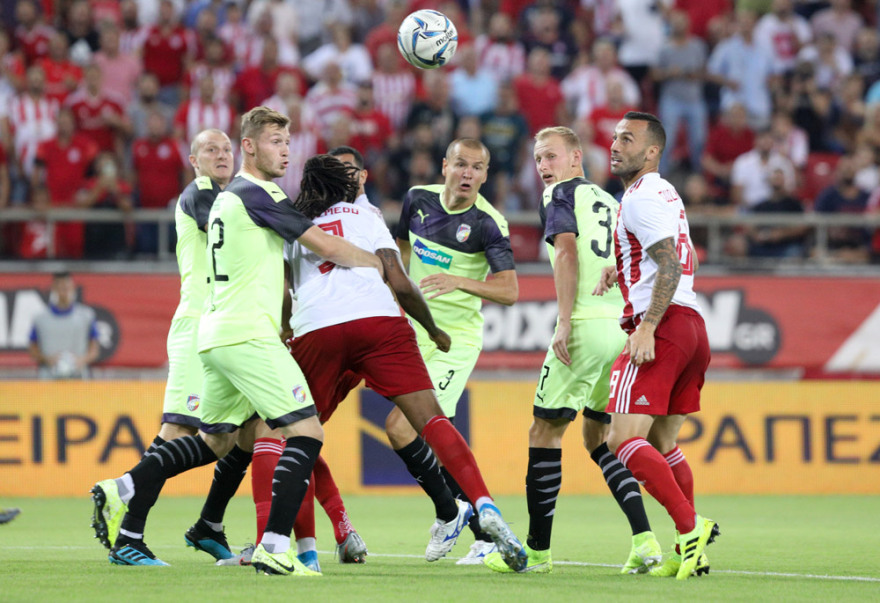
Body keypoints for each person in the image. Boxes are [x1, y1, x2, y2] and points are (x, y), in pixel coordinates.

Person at [92, 107, 384, 572]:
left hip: (218, 332)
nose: (285, 150)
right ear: (248, 146)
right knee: (305, 431)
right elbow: (324, 245)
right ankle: (274, 548)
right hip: (244, 333)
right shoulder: (243, 194)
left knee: (221, 441)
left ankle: (125, 489)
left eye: (287, 142)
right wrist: (379, 262)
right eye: (274, 141)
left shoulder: (234, 198)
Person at [260, 152, 527, 573]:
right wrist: (432, 329)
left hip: (318, 330)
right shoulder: (366, 215)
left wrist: (285, 329)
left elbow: (285, 290)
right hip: (379, 323)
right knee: (432, 419)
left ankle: (297, 550)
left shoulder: (296, 224)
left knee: (296, 434)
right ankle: (483, 502)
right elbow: (399, 281)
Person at [485, 126, 660, 574]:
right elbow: (637, 263)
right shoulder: (612, 202)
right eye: (538, 159)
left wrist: (564, 322)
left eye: (551, 156)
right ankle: (644, 540)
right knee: (599, 438)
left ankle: (537, 553)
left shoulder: (560, 195)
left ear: (576, 158)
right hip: (620, 330)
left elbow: (565, 252)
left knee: (543, 433)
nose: (544, 167)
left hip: (584, 327)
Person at [89, 129, 253, 563]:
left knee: (242, 432)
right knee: (182, 433)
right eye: (211, 149)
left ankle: (205, 525)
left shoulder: (229, 197)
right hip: (199, 326)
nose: (222, 154)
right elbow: (231, 232)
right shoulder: (201, 193)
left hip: (224, 326)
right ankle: (126, 522)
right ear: (193, 160)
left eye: (227, 148)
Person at [594, 111, 718, 580]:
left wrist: (647, 325)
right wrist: (625, 266)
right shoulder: (665, 192)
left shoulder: (640, 197)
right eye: (615, 137)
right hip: (691, 327)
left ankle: (691, 528)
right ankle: (691, 551)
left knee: (621, 439)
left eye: (627, 139)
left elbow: (669, 264)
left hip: (661, 327)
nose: (615, 145)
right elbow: (686, 260)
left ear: (652, 152)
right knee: (663, 442)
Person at [386, 138, 519, 566]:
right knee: (436, 440)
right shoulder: (416, 199)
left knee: (401, 427)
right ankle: (483, 534)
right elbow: (401, 249)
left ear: (485, 175)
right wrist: (397, 292)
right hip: (413, 334)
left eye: (477, 168)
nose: (468, 174)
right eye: (461, 164)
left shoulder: (489, 223)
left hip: (454, 340)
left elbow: (510, 290)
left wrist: (459, 281)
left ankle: (451, 513)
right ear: (444, 165)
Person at [28, 271, 100, 379]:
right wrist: (47, 359)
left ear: (73, 288)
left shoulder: (86, 316)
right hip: (48, 379)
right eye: (60, 287)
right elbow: (33, 349)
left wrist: (81, 360)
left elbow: (94, 349)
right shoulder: (40, 318)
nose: (64, 291)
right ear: (53, 288)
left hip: (79, 379)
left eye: (67, 287)